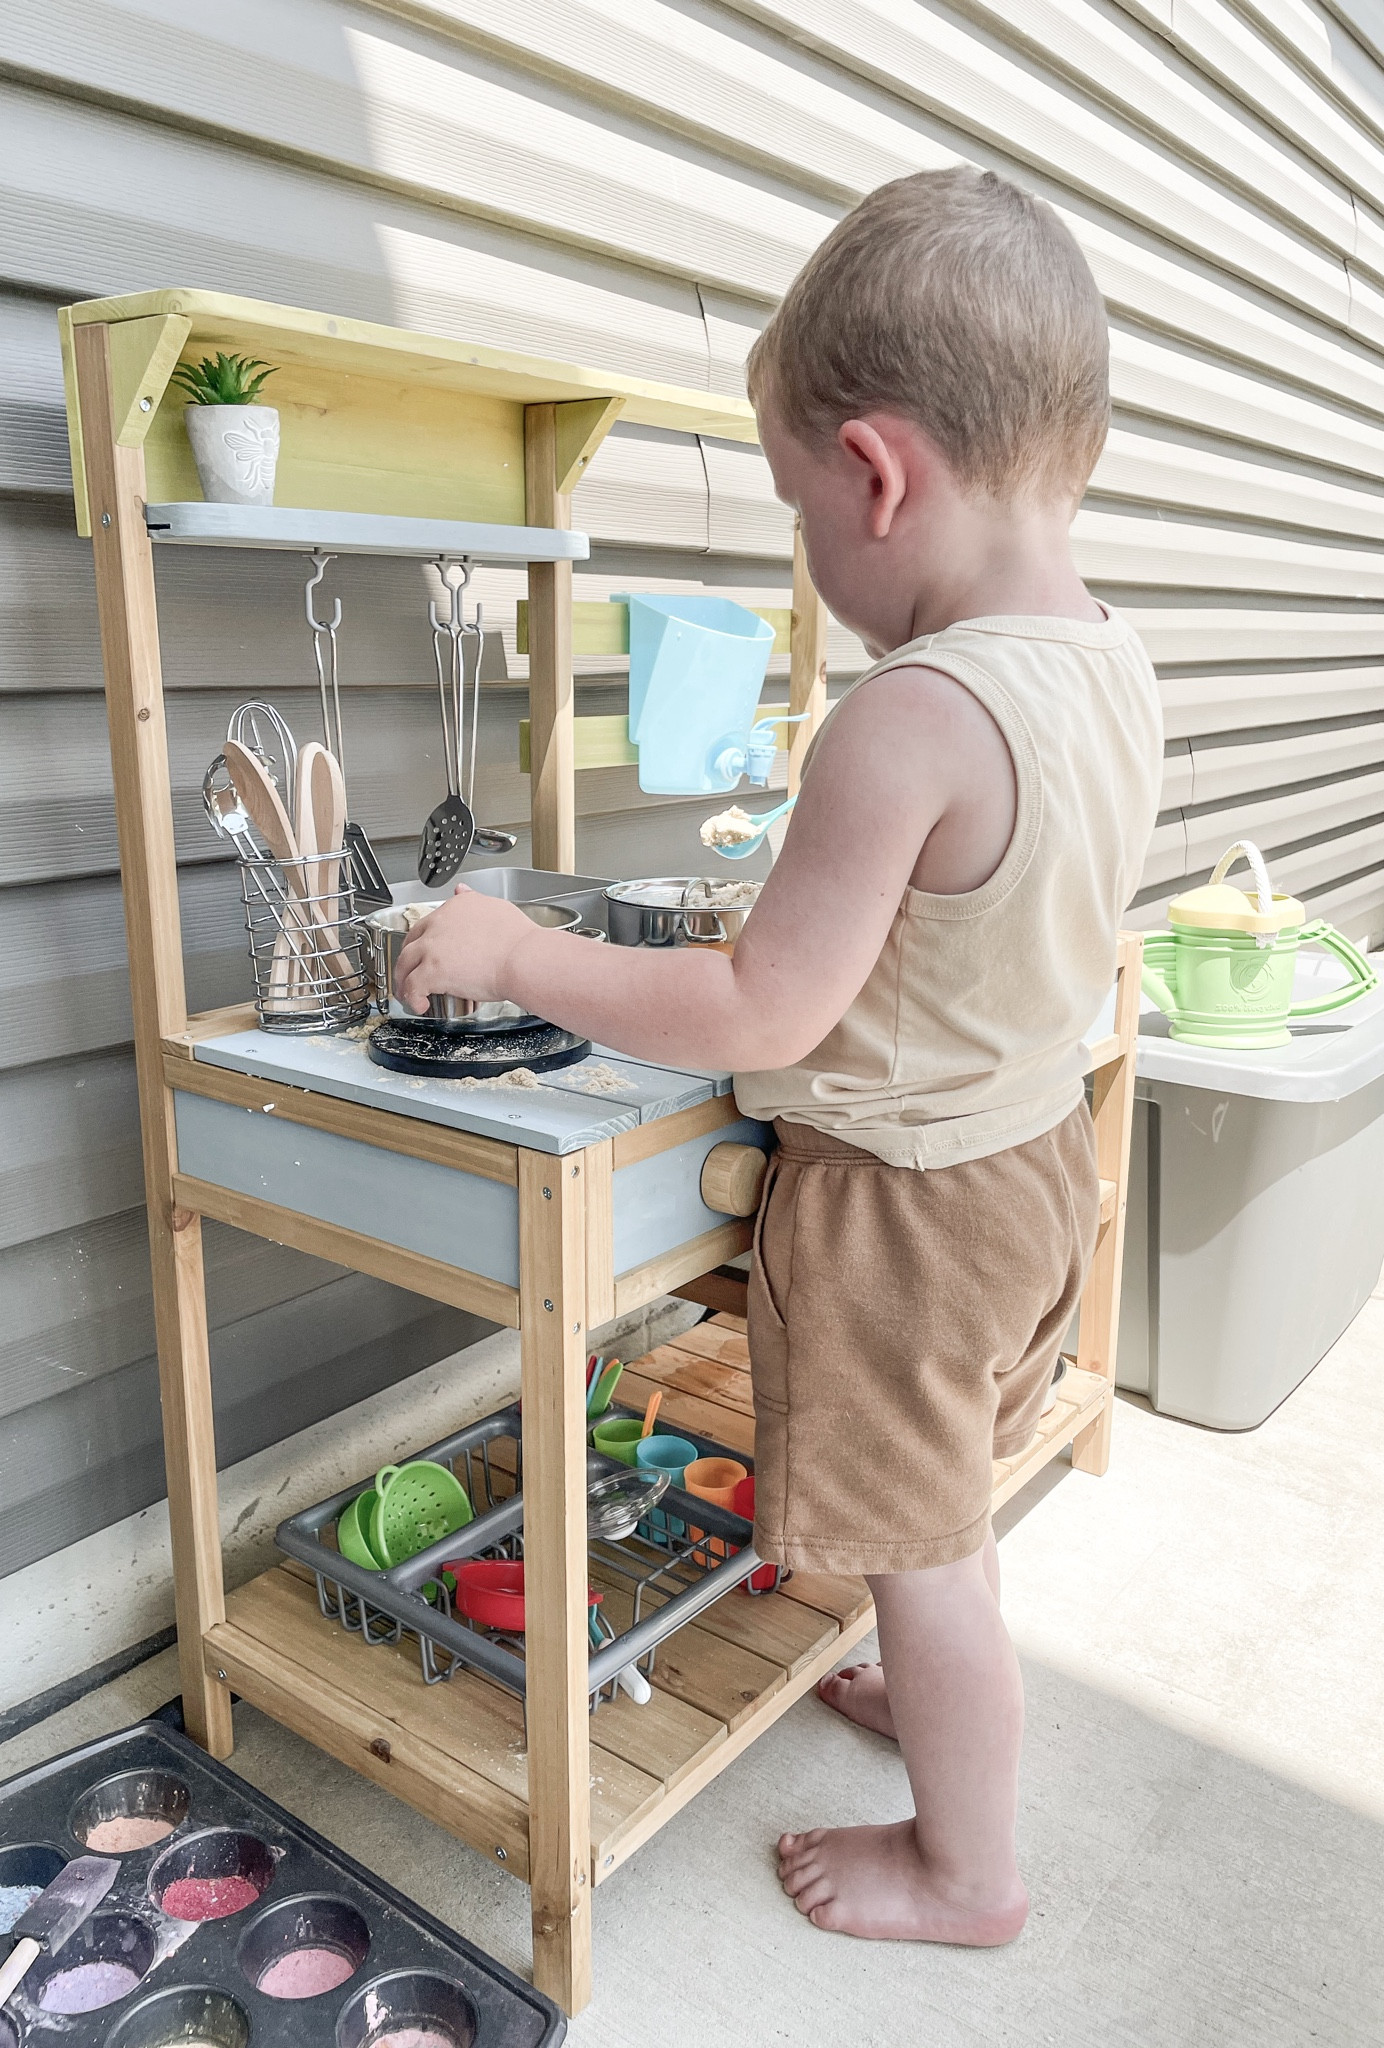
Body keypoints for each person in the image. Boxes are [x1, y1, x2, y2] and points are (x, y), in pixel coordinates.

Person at [395, 166, 1162, 1946]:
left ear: (878, 474)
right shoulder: (1107, 659)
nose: (809, 554)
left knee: (926, 1545)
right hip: (1034, 1162)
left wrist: (515, 946)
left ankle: (968, 1871)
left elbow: (758, 1010)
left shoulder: (909, 717)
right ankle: (930, 1687)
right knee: (946, 1496)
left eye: (800, 504)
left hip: (906, 1211)